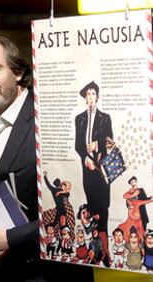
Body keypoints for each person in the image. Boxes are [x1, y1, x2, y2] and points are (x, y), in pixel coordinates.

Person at [0, 33, 93, 281]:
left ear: (19, 72)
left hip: (42, 273)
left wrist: (12, 239)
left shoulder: (47, 119)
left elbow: (77, 206)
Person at [75, 81, 112, 256]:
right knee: (92, 205)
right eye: (88, 94)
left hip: (102, 169)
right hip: (87, 170)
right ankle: (95, 248)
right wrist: (84, 158)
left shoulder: (105, 118)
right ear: (85, 98)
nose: (90, 97)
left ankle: (105, 247)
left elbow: (110, 142)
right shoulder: (79, 119)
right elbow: (77, 144)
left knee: (103, 205)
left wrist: (98, 146)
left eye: (93, 93)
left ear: (97, 96)